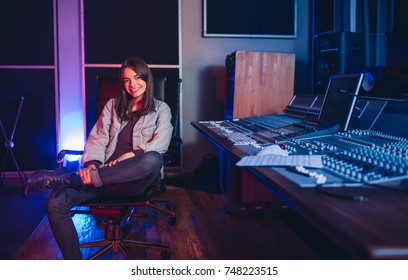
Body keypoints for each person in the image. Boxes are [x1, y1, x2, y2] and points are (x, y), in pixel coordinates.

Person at [27, 57, 173, 259]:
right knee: (54, 203)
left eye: (137, 78)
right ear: (122, 84)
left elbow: (161, 144)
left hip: (132, 180)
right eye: (126, 80)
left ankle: (70, 178)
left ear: (147, 79)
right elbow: (97, 138)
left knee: (154, 159)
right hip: (101, 176)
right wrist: (93, 164)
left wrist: (131, 155)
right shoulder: (112, 106)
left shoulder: (161, 109)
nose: (132, 85)